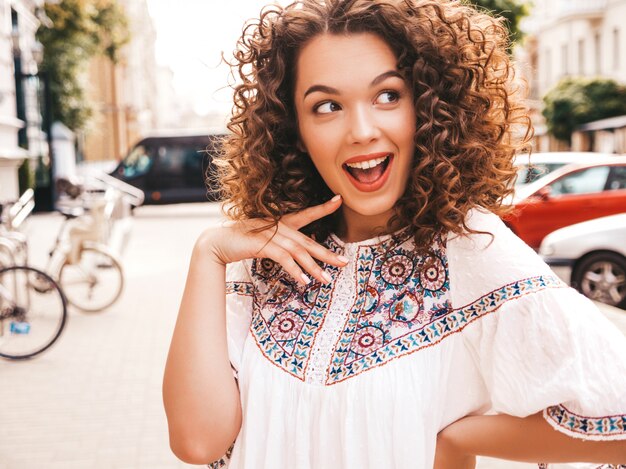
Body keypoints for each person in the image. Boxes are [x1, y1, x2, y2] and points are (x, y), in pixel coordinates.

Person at [162, 0, 626, 467]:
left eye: (388, 95)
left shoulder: (470, 248)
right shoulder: (267, 251)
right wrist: (209, 253)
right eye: (327, 106)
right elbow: (197, 441)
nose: (362, 131)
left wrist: (460, 440)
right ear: (294, 129)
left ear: (430, 106)